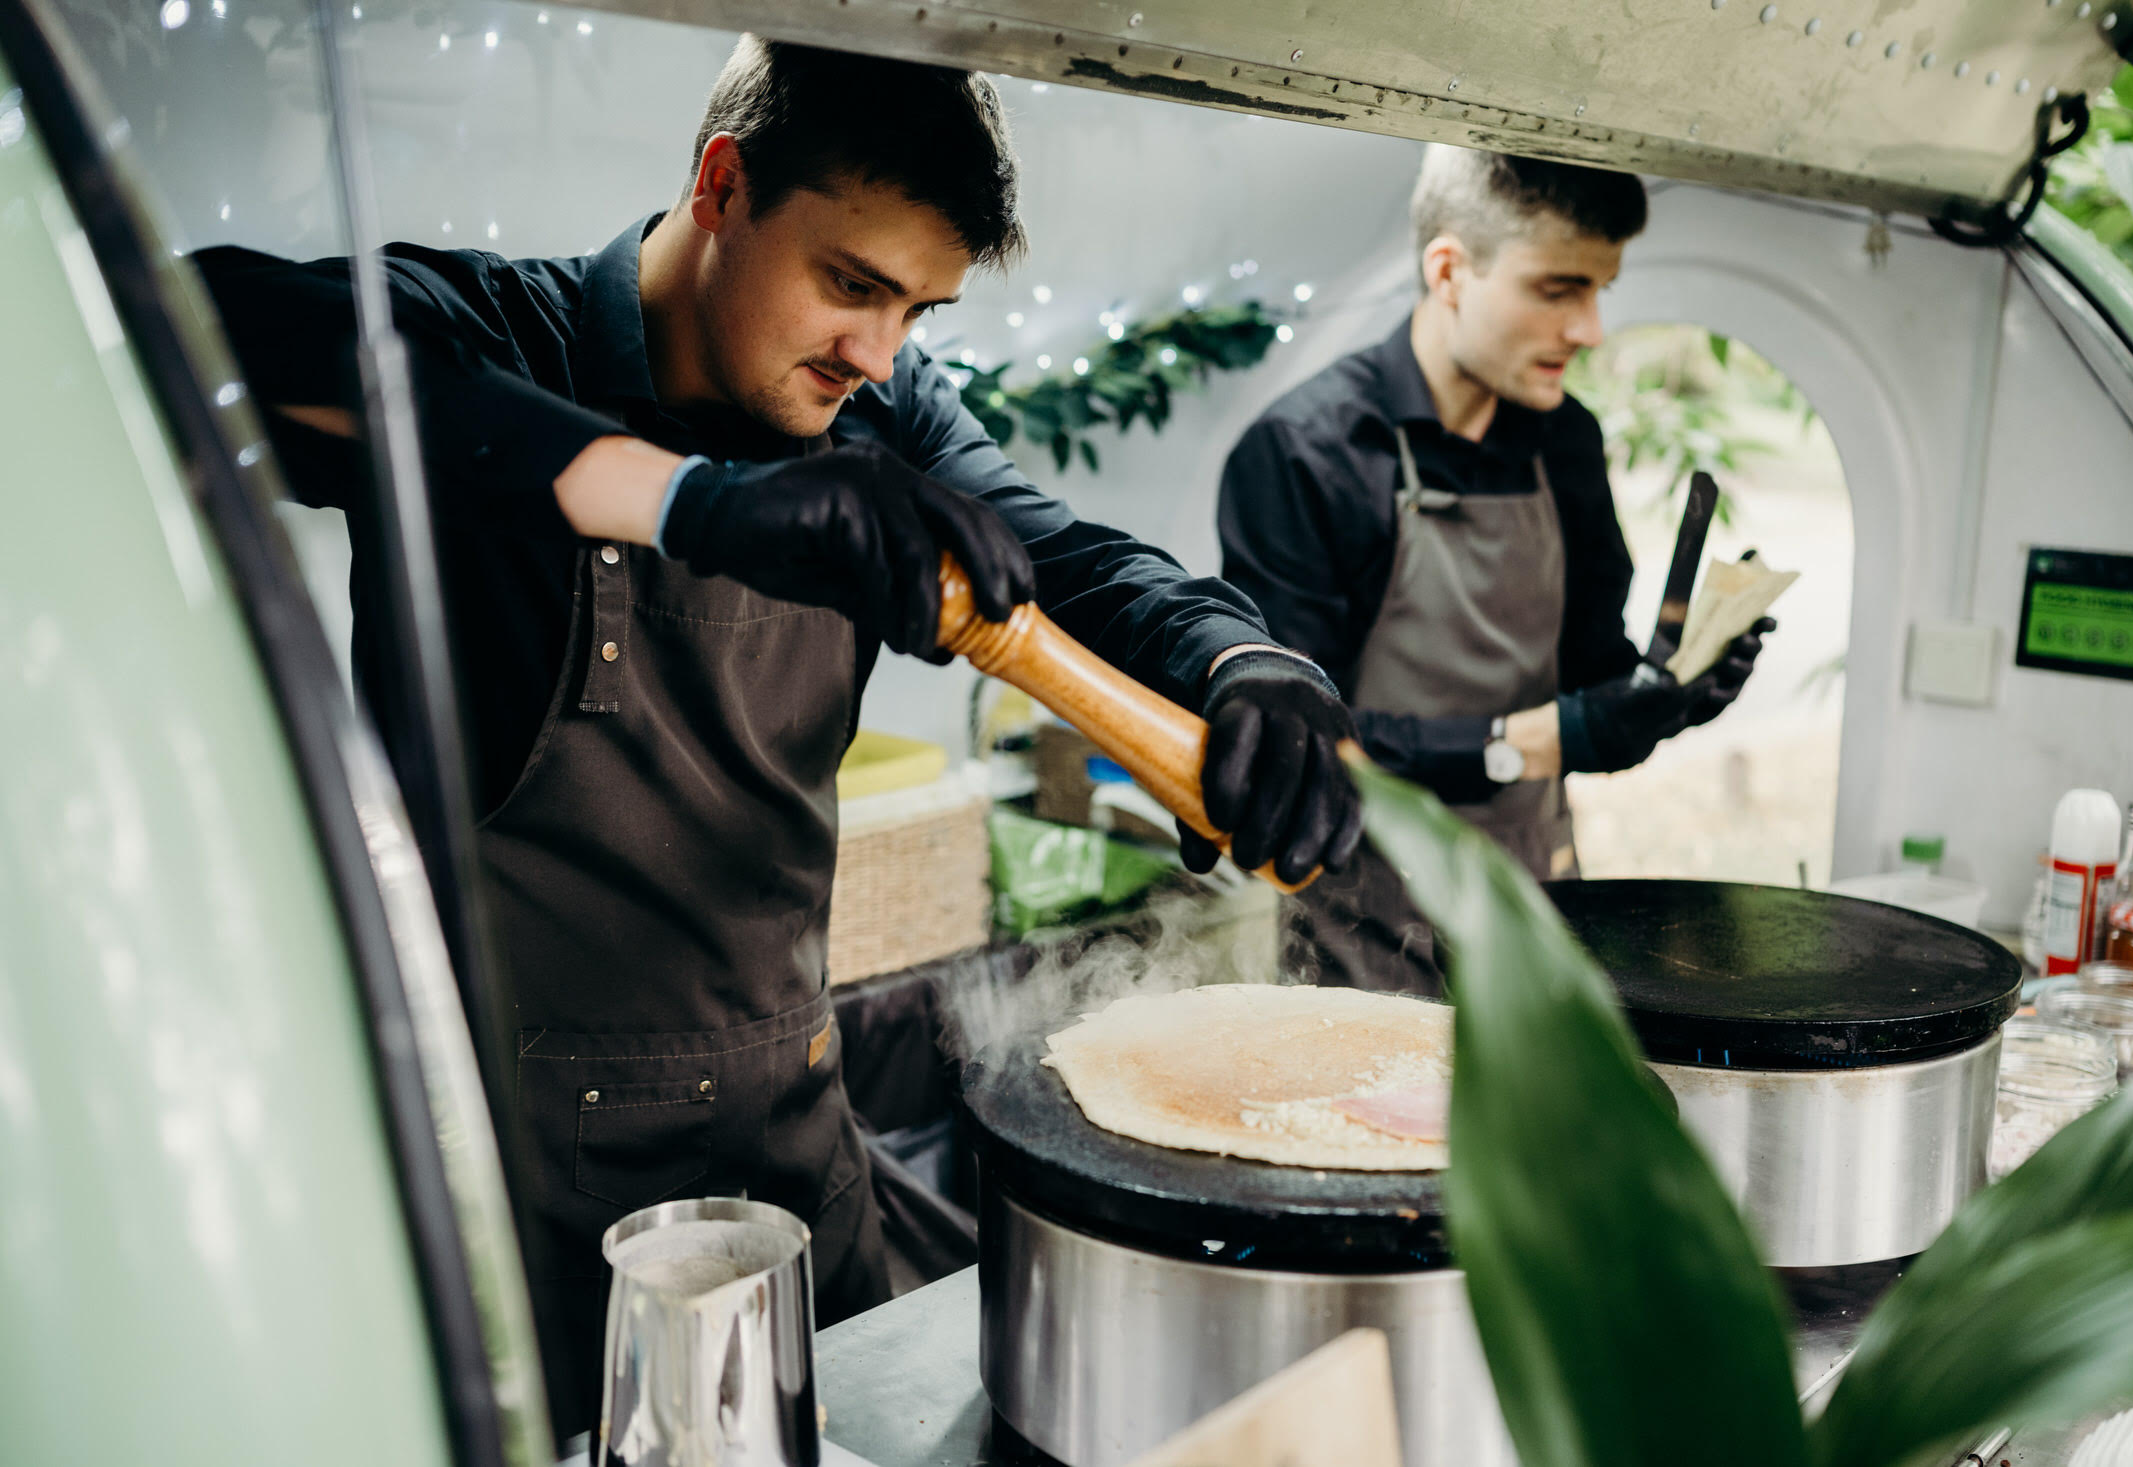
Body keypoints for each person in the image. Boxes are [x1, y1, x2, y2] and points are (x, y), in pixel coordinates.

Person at [196, 39, 1362, 1439]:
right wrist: (688, 501)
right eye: (852, 285)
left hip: (798, 1162)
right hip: (534, 1213)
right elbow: (216, 327)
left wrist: (1244, 659)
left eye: (917, 311)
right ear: (721, 184)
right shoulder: (503, 331)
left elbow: (1073, 565)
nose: (877, 354)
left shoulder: (884, 409)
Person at [1217, 147, 1769, 993]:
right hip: (1362, 916)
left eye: (1598, 290)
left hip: (1540, 899)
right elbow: (1307, 745)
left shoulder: (1565, 441)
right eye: (1558, 289)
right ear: (1450, 270)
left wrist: (1669, 696)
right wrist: (1533, 742)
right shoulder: (1308, 455)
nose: (1589, 329)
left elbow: (1589, 675)